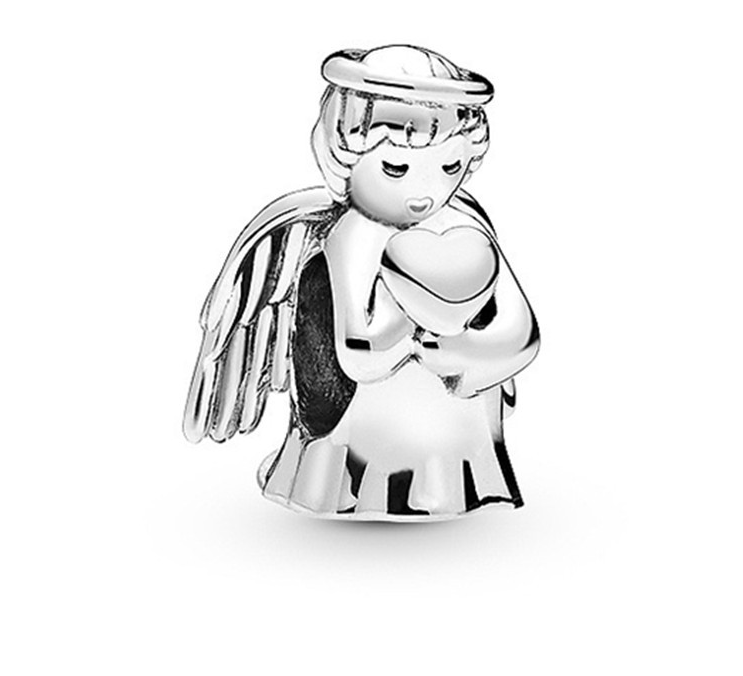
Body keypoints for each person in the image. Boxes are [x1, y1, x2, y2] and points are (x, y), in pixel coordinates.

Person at [184, 45, 540, 520]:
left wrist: (471, 352)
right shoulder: (353, 235)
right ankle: (347, 488)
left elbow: (521, 330)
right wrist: (415, 330)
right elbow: (357, 350)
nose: (425, 192)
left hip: (456, 416)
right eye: (395, 169)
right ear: (345, 157)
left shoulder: (466, 227)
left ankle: (454, 483)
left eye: (450, 167)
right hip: (365, 420)